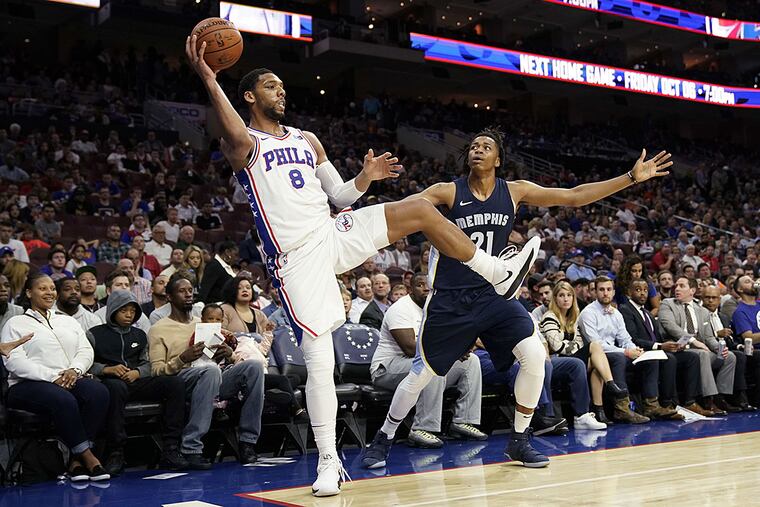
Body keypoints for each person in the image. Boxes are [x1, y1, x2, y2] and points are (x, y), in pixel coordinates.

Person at [186, 42, 656, 491]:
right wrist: (210, 77)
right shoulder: (243, 143)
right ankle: (331, 459)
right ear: (249, 95)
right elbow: (231, 132)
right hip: (301, 258)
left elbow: (341, 197)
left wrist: (365, 179)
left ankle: (498, 280)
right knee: (322, 357)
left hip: (340, 233)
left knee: (421, 214)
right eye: (271, 86)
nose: (281, 91)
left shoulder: (308, 140)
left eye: (283, 86)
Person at [362, 127, 671, 470]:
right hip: (451, 298)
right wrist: (365, 186)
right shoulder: (447, 191)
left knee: (535, 355)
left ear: (499, 159)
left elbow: (574, 195)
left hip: (495, 293)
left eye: (486, 146)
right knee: (421, 375)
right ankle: (384, 437)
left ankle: (519, 439)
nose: (478, 150)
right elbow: (401, 212)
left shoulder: (514, 191)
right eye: (474, 146)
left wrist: (630, 177)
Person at [0, 273, 111, 482]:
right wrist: (53, 377)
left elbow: (85, 350)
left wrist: (74, 370)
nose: (49, 292)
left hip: (69, 378)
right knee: (63, 399)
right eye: (42, 288)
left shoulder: (66, 320)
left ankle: (75, 461)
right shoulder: (16, 323)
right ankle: (88, 457)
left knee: (99, 392)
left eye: (52, 288)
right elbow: (14, 361)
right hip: (26, 385)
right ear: (28, 292)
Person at [148, 276, 265, 468]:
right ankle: (192, 447)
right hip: (181, 380)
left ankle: (247, 442)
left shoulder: (205, 321)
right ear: (169, 296)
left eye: (190, 290)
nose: (188, 294)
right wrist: (182, 359)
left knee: (254, 367)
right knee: (210, 371)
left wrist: (229, 355)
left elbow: (220, 357)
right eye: (182, 291)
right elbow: (157, 371)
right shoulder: (158, 329)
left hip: (214, 374)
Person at [371, 273, 486, 448]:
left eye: (430, 285)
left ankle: (463, 421)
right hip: (387, 368)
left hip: (417, 363)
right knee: (433, 365)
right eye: (420, 285)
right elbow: (410, 349)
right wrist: (450, 352)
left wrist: (459, 348)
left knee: (471, 362)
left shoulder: (437, 308)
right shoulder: (400, 309)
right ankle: (421, 428)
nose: (426, 288)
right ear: (410, 289)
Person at [88, 290, 187, 475]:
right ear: (112, 311)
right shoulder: (95, 334)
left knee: (175, 383)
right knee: (115, 388)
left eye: (133, 311)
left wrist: (137, 372)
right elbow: (86, 363)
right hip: (110, 382)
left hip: (136, 381)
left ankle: (171, 447)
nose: (129, 315)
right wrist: (107, 369)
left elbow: (149, 363)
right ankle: (116, 451)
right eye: (123, 310)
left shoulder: (140, 335)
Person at [539, 280, 625, 426]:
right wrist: (571, 346)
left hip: (572, 359)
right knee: (595, 347)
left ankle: (598, 411)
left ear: (573, 298)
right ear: (555, 298)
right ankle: (609, 387)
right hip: (557, 362)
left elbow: (579, 342)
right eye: (561, 295)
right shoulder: (549, 317)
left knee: (598, 362)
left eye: (569, 295)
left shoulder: (573, 318)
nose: (566, 299)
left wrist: (570, 346)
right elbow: (557, 346)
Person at [578, 277, 653, 424]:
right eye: (601, 290)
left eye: (608, 289)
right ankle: (622, 408)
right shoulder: (588, 313)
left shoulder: (616, 313)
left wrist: (635, 350)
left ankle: (652, 404)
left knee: (649, 359)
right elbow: (596, 344)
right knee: (619, 358)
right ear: (595, 292)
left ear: (613, 292)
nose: (605, 293)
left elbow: (625, 338)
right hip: (594, 355)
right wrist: (624, 352)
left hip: (614, 352)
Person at [619, 278, 697, 418]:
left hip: (656, 350)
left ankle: (690, 401)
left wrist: (672, 344)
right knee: (669, 359)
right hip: (639, 353)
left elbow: (657, 338)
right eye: (638, 290)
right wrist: (660, 346)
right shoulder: (625, 310)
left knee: (691, 357)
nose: (643, 293)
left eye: (645, 290)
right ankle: (666, 404)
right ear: (629, 293)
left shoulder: (647, 312)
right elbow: (633, 339)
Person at [659, 276, 736, 415]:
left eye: (682, 286)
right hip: (679, 348)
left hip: (700, 349)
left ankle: (721, 397)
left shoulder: (702, 311)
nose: (677, 288)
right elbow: (670, 326)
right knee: (703, 354)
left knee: (729, 356)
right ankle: (708, 400)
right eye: (676, 285)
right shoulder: (667, 303)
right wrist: (693, 341)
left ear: (692, 290)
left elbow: (708, 337)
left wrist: (719, 348)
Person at [702, 285, 756, 411]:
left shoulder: (724, 317)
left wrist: (740, 345)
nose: (710, 301)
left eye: (714, 298)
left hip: (726, 349)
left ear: (719, 300)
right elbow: (698, 336)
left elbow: (731, 340)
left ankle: (732, 396)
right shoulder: (700, 315)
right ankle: (731, 397)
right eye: (707, 297)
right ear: (701, 298)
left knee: (741, 354)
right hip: (709, 350)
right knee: (735, 356)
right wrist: (716, 334)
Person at [731, 275, 760, 406]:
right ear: (740, 289)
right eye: (748, 282)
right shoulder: (740, 312)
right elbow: (749, 338)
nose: (753, 283)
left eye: (753, 280)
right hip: (755, 349)